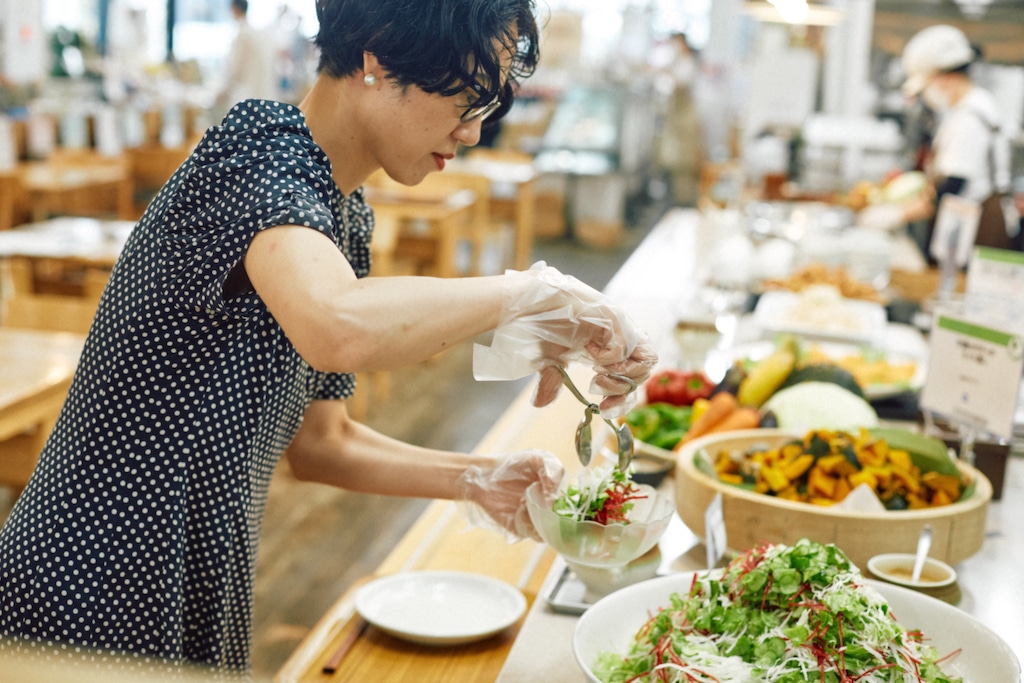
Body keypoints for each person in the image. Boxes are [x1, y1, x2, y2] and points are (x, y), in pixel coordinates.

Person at [0, 0, 656, 678]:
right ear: (375, 60)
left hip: (197, 576)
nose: (471, 132)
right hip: (88, 578)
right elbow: (337, 326)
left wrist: (476, 480)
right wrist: (527, 294)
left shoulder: (342, 216)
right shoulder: (257, 148)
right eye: (463, 97)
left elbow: (322, 444)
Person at [901, 24, 1018, 252]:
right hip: (966, 218)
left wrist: (907, 212)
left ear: (943, 77)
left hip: (978, 222)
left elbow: (955, 180)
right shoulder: (965, 109)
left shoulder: (971, 114)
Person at [216, 0, 278, 116]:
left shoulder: (242, 35)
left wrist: (221, 91)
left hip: (246, 99)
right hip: (263, 98)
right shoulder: (257, 34)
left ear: (234, 9)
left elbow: (234, 70)